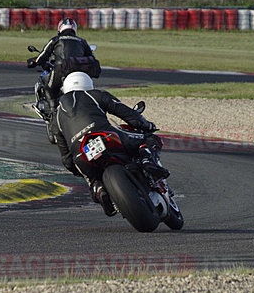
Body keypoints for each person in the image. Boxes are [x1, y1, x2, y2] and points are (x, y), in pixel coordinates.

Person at [51, 71, 169, 216]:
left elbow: (66, 157)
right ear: (88, 85)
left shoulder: (55, 117)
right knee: (150, 138)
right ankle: (147, 160)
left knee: (92, 178)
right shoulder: (94, 95)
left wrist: (76, 169)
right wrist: (146, 125)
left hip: (81, 152)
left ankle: (98, 189)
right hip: (106, 135)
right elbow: (125, 113)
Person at [27, 17, 100, 105]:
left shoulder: (56, 39)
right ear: (74, 29)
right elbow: (91, 58)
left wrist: (35, 61)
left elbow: (43, 55)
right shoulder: (82, 41)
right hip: (80, 71)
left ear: (60, 28)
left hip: (61, 69)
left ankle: (53, 111)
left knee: (49, 89)